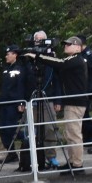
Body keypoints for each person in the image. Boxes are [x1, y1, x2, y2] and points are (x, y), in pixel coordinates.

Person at [35, 36, 89, 175]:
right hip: (72, 102)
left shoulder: (75, 59)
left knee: (74, 134)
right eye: (65, 44)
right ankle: (72, 162)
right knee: (69, 133)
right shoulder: (73, 60)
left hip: (75, 102)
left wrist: (38, 56)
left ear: (78, 47)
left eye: (69, 44)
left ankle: (77, 164)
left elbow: (59, 63)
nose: (66, 46)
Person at [20, 31, 61, 171]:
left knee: (49, 129)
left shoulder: (51, 58)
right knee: (30, 130)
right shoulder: (28, 59)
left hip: (47, 97)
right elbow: (23, 81)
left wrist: (58, 100)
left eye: (42, 40)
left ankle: (51, 156)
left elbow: (57, 81)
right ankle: (31, 158)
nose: (38, 43)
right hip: (31, 99)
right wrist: (22, 101)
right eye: (36, 40)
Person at [0, 44, 32, 166]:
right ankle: (11, 152)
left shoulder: (20, 68)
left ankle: (28, 140)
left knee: (11, 128)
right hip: (4, 103)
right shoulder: (6, 68)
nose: (6, 56)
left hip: (14, 103)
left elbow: (21, 86)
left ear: (15, 55)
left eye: (8, 53)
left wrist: (21, 102)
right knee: (3, 129)